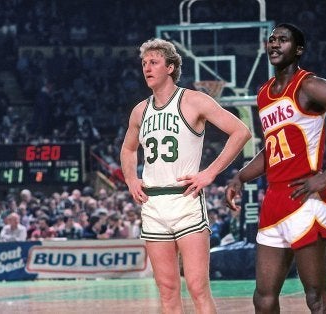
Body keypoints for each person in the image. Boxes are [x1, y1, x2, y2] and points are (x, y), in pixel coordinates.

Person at [225, 23, 326, 313]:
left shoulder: (311, 85)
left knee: (315, 296)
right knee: (263, 297)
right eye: (271, 40)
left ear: (299, 49)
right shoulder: (263, 93)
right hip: (274, 199)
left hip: (305, 196)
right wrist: (239, 177)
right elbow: (272, 150)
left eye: (283, 40)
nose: (274, 44)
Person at [120, 38, 251, 313]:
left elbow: (241, 131)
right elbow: (129, 149)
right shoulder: (139, 111)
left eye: (153, 62)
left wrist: (210, 173)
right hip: (153, 205)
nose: (147, 68)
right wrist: (131, 179)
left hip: (186, 200)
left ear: (170, 67)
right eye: (144, 63)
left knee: (197, 288)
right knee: (167, 291)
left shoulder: (194, 100)